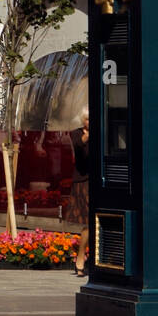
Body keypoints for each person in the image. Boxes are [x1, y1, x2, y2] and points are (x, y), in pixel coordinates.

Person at [64, 108, 90, 277]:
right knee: (88, 221)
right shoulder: (76, 134)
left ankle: (90, 258)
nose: (90, 122)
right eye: (87, 119)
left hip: (99, 180)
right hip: (83, 182)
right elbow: (80, 148)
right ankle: (80, 257)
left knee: (96, 222)